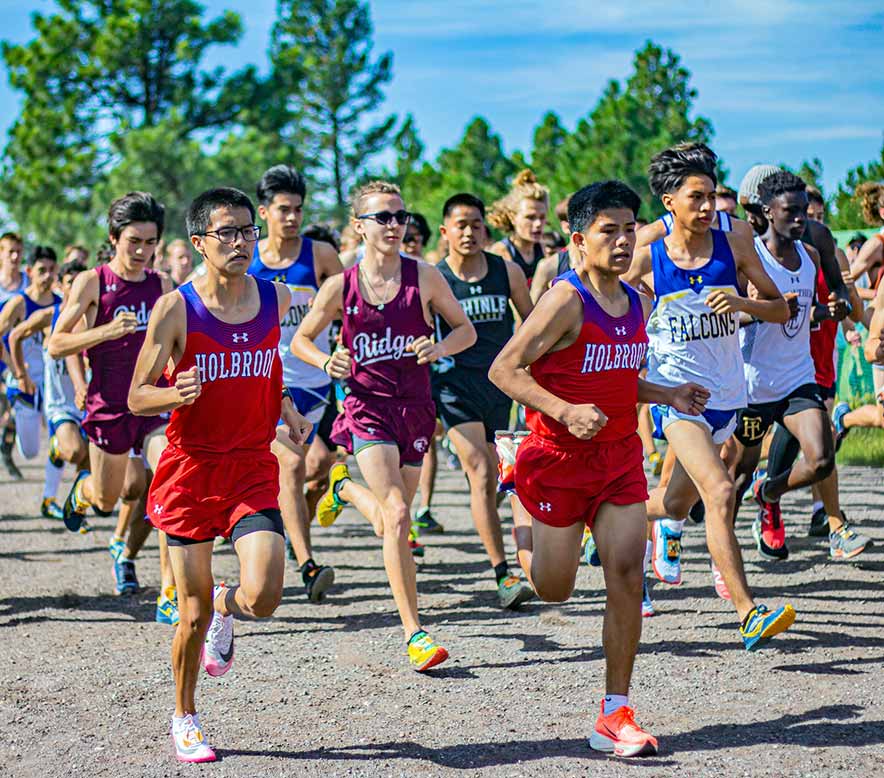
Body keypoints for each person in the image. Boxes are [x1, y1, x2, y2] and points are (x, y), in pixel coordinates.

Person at [490, 180, 710, 758]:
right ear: (578, 239)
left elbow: (614, 379)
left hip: (617, 461)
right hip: (559, 460)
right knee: (553, 588)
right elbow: (504, 370)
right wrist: (562, 410)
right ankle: (517, 490)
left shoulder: (638, 301)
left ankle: (615, 712)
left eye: (628, 229)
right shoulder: (564, 300)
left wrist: (667, 393)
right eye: (607, 230)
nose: (620, 240)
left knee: (626, 575)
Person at [128, 186, 310, 763]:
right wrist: (170, 392)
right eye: (226, 233)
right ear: (198, 242)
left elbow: (264, 362)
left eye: (246, 231)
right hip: (190, 471)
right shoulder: (176, 308)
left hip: (252, 466)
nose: (239, 242)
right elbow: (136, 395)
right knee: (190, 612)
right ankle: (185, 716)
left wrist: (282, 403)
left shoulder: (274, 298)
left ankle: (227, 607)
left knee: (265, 594)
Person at [291, 180, 476, 672]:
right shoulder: (341, 286)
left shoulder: (427, 277)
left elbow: (466, 330)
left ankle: (342, 488)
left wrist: (438, 348)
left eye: (399, 216)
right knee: (396, 514)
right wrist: (328, 360)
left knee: (391, 518)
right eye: (382, 217)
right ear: (359, 226)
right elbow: (301, 341)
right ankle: (415, 632)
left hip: (414, 407)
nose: (395, 225)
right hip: (366, 407)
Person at [625, 142, 796, 647]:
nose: (707, 208)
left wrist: (741, 300)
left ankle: (610, 515)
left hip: (727, 392)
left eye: (711, 196)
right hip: (677, 393)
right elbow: (601, 294)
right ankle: (749, 612)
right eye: (695, 198)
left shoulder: (736, 238)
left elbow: (780, 310)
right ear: (669, 201)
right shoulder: (644, 251)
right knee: (720, 491)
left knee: (673, 506)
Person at [48, 191, 178, 622]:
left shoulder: (161, 285)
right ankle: (82, 491)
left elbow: (179, 342)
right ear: (113, 238)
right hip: (109, 405)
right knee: (108, 498)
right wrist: (102, 332)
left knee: (168, 479)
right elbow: (56, 343)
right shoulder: (93, 282)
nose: (142, 252)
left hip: (153, 404)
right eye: (133, 242)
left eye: (150, 242)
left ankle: (169, 593)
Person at [730, 170, 869, 561]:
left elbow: (816, 304)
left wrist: (835, 307)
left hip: (797, 377)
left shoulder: (811, 252)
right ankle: (722, 552)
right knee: (738, 475)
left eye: (804, 212)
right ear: (767, 213)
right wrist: (763, 311)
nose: (800, 220)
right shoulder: (748, 258)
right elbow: (730, 316)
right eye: (791, 212)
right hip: (754, 383)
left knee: (821, 460)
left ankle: (769, 492)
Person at [432, 192, 535, 608]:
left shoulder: (504, 271)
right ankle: (502, 573)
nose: (470, 232)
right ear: (445, 232)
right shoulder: (435, 278)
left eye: (476, 224)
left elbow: (531, 322)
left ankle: (525, 558)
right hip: (454, 386)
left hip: (501, 385)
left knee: (501, 475)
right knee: (479, 471)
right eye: (461, 225)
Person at [248, 164, 343, 602]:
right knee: (289, 465)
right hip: (266, 380)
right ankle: (306, 565)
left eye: (298, 209)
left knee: (318, 466)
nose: (292, 217)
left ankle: (289, 527)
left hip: (316, 381)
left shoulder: (320, 255)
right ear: (264, 212)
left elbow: (348, 309)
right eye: (283, 209)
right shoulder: (247, 258)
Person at [7, 259, 89, 519]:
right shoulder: (49, 315)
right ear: (61, 286)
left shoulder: (95, 317)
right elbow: (14, 336)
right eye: (70, 284)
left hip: (88, 401)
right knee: (70, 451)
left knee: (90, 460)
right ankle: (55, 448)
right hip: (59, 401)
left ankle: (66, 505)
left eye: (80, 284)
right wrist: (19, 372)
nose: (76, 289)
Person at [0, 246, 61, 511]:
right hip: (23, 381)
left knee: (60, 436)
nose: (47, 276)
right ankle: (12, 425)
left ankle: (50, 498)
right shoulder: (19, 303)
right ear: (29, 272)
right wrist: (17, 372)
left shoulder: (61, 303)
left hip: (52, 380)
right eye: (41, 271)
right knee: (30, 451)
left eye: (51, 270)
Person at [488, 169, 549, 285]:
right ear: (513, 217)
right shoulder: (500, 253)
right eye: (530, 217)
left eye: (542, 217)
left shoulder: (545, 249)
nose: (538, 224)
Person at [0, 231, 26, 479]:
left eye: (19, 251)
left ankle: (6, 451)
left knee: (17, 410)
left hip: (17, 358)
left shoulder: (28, 283)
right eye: (10, 251)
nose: (15, 256)